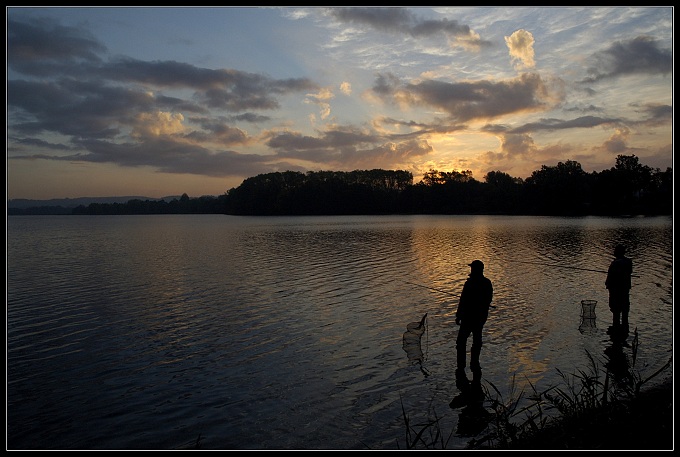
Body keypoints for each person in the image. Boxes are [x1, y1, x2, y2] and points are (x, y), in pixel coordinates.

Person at [455, 260, 493, 373]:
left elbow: (462, 300)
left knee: (461, 341)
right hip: (480, 317)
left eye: (472, 268)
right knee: (476, 340)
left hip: (468, 317)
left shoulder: (470, 283)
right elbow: (488, 300)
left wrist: (459, 315)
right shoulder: (487, 283)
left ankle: (461, 366)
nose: (471, 269)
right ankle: (474, 364)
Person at [605, 244, 633, 331]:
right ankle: (624, 331)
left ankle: (615, 331)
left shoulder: (615, 263)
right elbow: (629, 272)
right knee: (625, 312)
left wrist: (607, 284)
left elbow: (609, 279)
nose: (613, 252)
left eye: (615, 251)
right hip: (625, 290)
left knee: (616, 312)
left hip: (616, 291)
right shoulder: (628, 262)